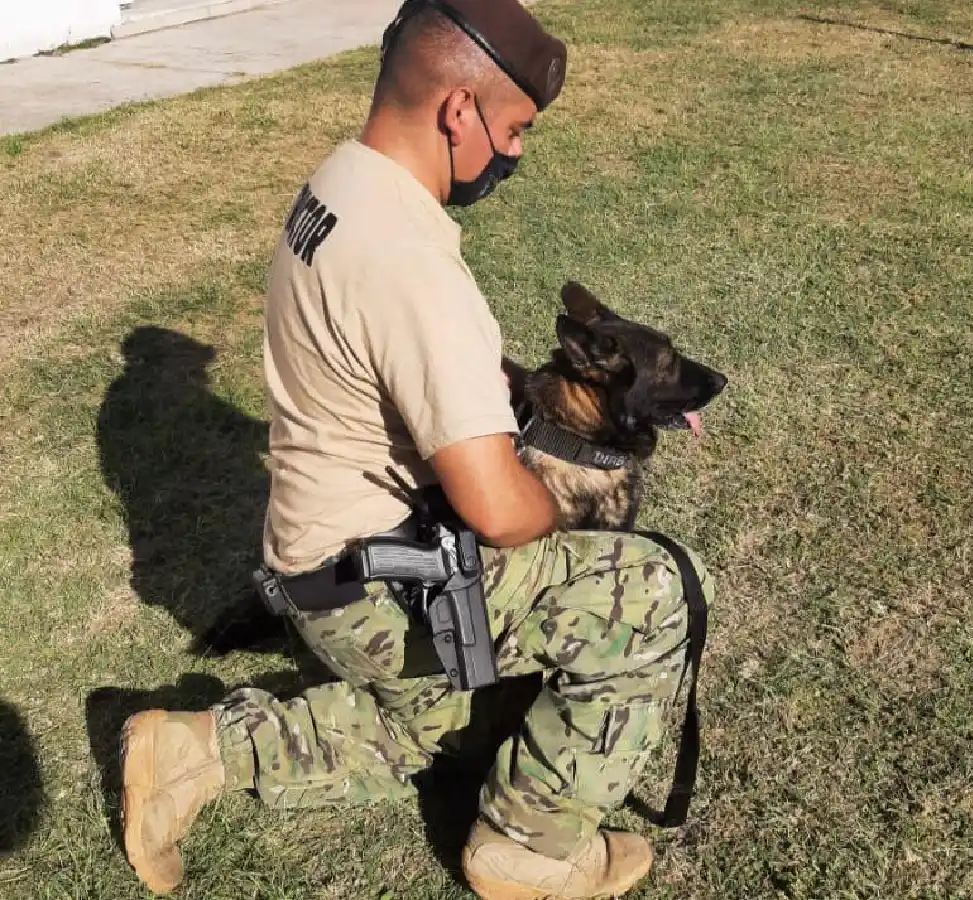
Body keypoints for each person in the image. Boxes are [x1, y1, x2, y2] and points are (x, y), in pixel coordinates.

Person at [118, 1, 713, 898]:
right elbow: (500, 513)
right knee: (653, 590)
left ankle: (190, 751)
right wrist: (574, 515)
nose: (514, 153)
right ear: (458, 111)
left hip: (314, 563)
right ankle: (530, 852)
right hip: (373, 583)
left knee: (437, 731)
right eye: (513, 130)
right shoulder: (413, 264)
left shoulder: (338, 184)